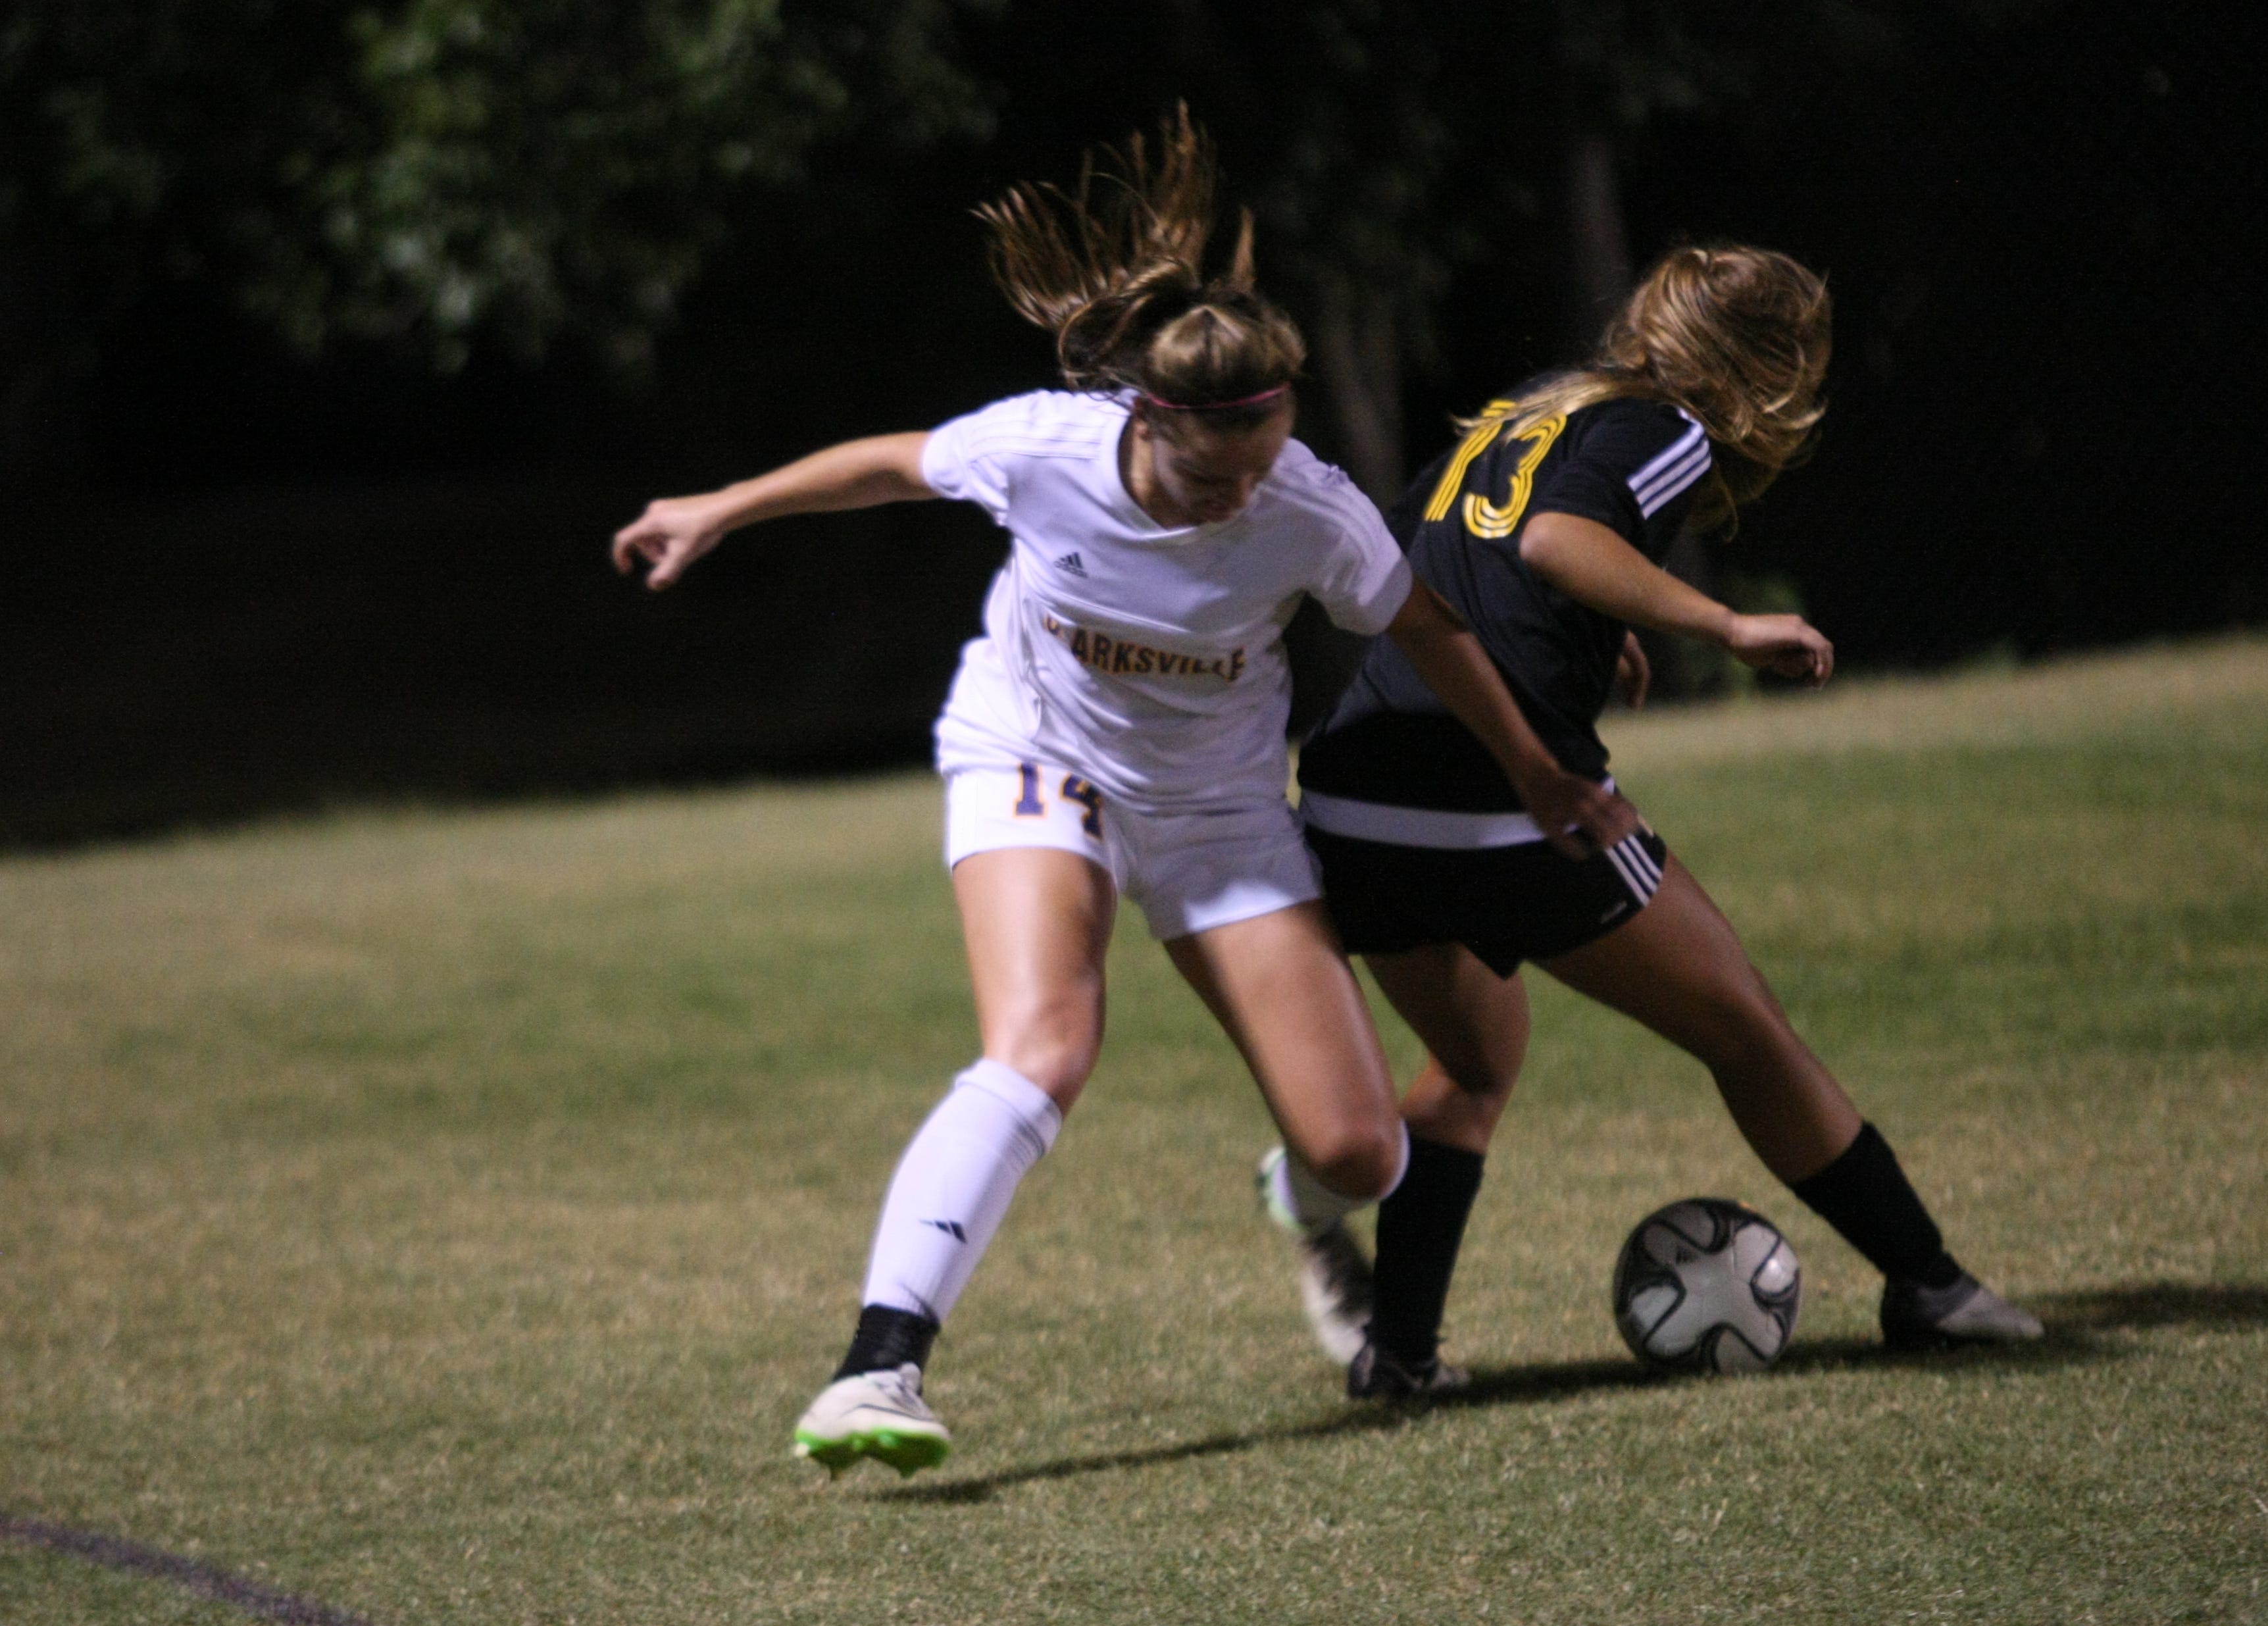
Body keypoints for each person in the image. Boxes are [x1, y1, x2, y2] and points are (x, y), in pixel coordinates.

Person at [611, 113, 1626, 1476]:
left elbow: (1427, 627)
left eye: (1261, 463)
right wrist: (717, 508)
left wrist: (1538, 768)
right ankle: (877, 1369)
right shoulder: (1042, 447)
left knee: (1359, 1155)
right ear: (1145, 420)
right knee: (1043, 1046)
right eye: (1214, 471)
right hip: (1036, 758)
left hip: (1217, 816)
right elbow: (885, 466)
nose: (1236, 495)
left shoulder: (1306, 509)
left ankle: (1299, 1197)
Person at [1259, 243, 2044, 1398]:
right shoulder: (1668, 423)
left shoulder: (1535, 412)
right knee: (1747, 1030)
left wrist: (1585, 623)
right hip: (1504, 806)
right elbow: (1553, 542)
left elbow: (1418, 539)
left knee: (1476, 1066)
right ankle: (1930, 1287)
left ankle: (1402, 1360)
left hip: (1359, 794)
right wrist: (1725, 627)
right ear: (1763, 374)